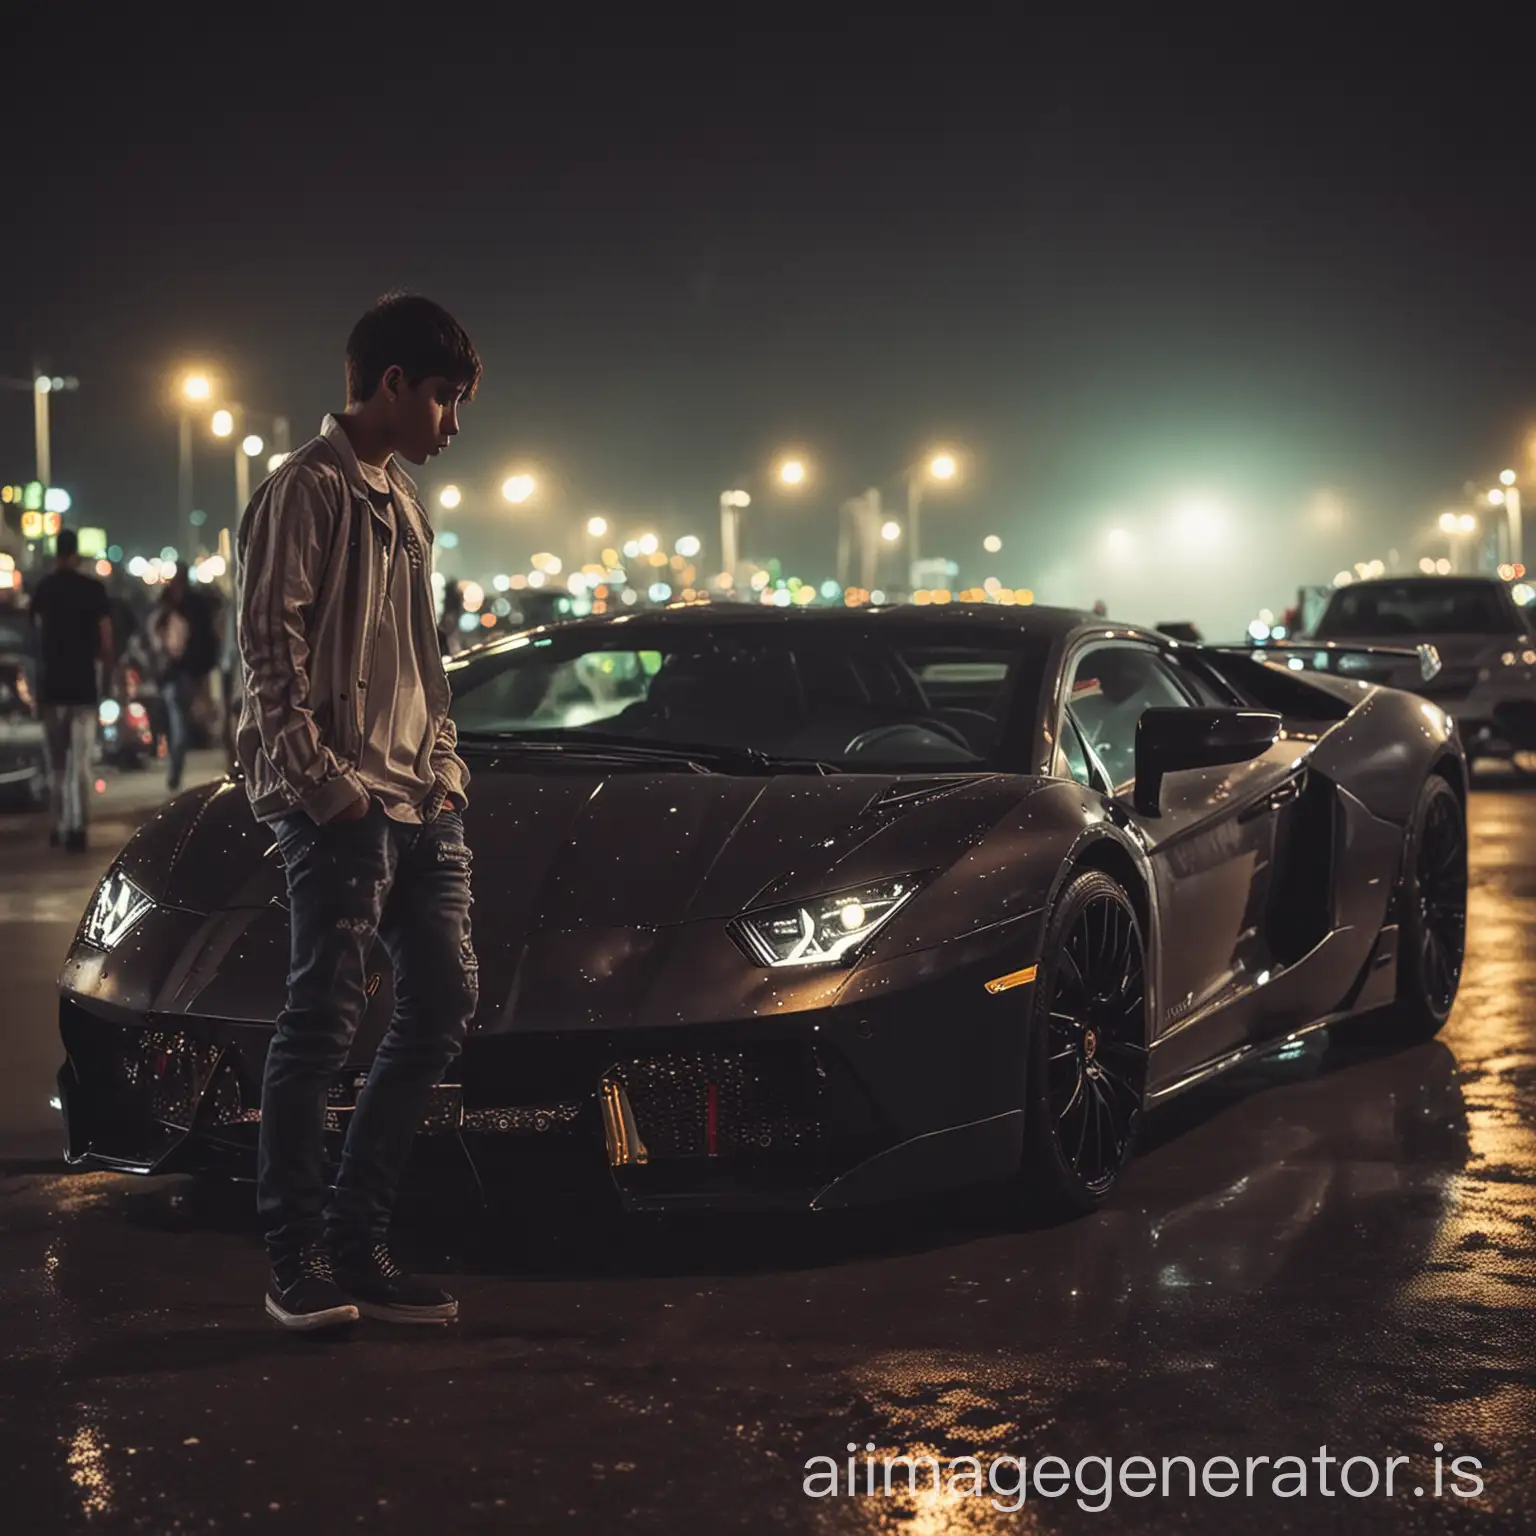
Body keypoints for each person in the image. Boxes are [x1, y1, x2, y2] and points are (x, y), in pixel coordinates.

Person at [236, 294, 480, 1331]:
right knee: (321, 1027)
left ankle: (358, 1242)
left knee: (443, 1005)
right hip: (343, 807)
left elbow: (422, 661)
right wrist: (323, 784)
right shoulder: (306, 489)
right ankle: (295, 1260)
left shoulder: (406, 505)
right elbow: (268, 652)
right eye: (444, 399)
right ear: (390, 386)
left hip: (421, 800)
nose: (453, 425)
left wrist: (446, 767)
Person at [29, 528, 114, 851]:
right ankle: (78, 828)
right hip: (82, 689)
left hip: (52, 688)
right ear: (77, 553)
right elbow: (106, 641)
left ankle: (58, 824)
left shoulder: (43, 589)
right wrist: (107, 679)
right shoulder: (93, 590)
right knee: (80, 763)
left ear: (56, 554)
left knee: (57, 765)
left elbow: (35, 641)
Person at [149, 563, 218, 791]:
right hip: (181, 672)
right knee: (178, 721)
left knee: (178, 721)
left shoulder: (177, 604)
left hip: (179, 672)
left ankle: (175, 768)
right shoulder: (190, 604)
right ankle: (175, 766)